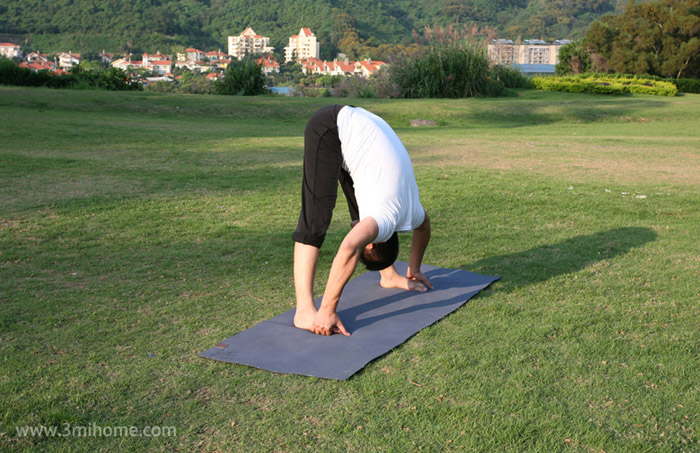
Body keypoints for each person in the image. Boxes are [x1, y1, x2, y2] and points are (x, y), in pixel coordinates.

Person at [292, 105, 432, 336]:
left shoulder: (412, 213)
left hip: (364, 126)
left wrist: (414, 268)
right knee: (314, 219)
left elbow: (424, 228)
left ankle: (388, 275)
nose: (352, 228)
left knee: (361, 208)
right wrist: (327, 310)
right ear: (371, 243)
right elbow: (349, 247)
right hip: (330, 127)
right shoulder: (382, 218)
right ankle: (303, 311)